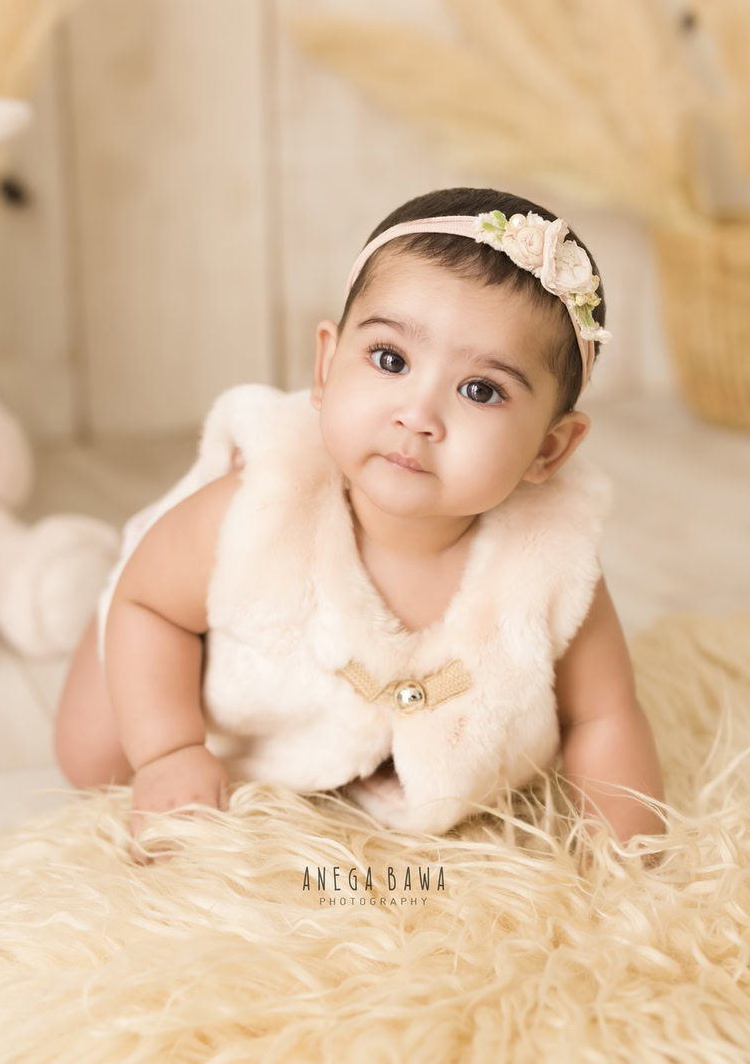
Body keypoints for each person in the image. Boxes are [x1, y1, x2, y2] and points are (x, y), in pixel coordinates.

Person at [54, 186, 665, 861]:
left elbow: (603, 712)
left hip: (366, 703)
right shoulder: (259, 504)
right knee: (93, 757)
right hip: (200, 646)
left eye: (481, 390)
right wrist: (169, 749)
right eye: (391, 360)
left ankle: (362, 749)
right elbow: (149, 605)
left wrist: (629, 854)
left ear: (549, 448)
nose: (418, 413)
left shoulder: (551, 558)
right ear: (325, 365)